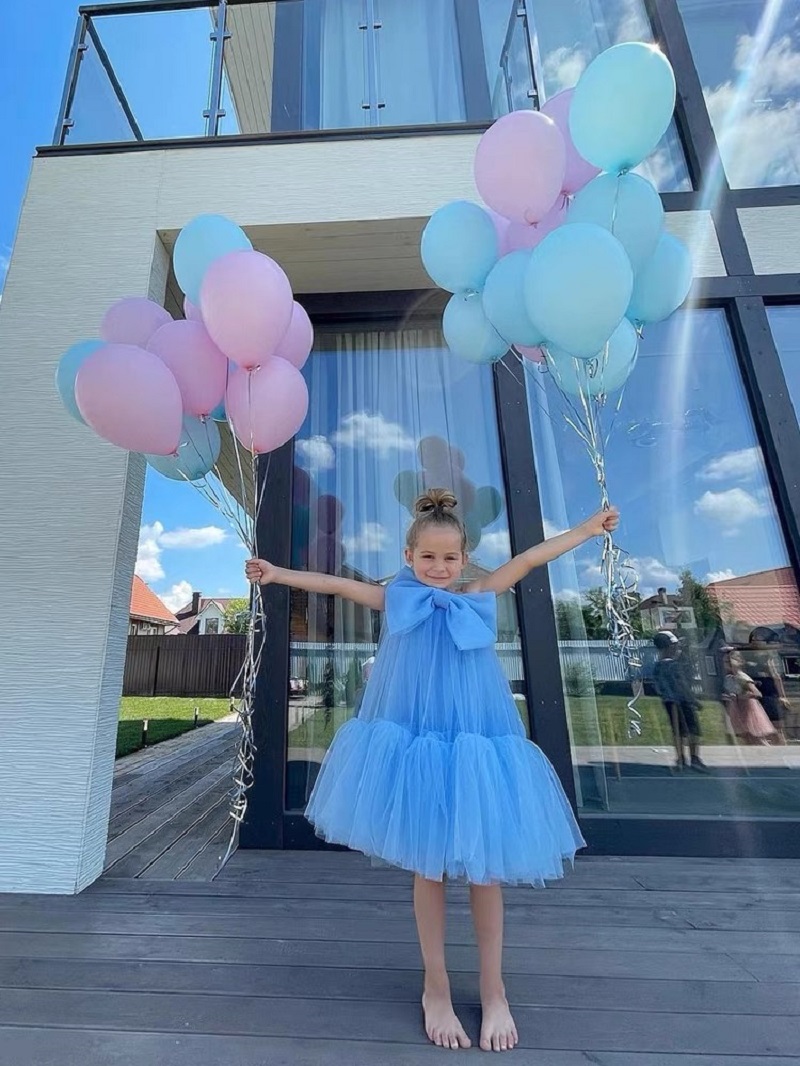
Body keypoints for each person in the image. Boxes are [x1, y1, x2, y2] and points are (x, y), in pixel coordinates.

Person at [246, 488, 619, 1053]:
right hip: (416, 744)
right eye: (428, 558)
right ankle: (436, 985)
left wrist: (588, 530)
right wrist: (276, 574)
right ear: (407, 556)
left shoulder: (479, 591)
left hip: (475, 743)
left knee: (486, 869)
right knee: (429, 866)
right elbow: (334, 584)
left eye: (449, 558)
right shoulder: (395, 597)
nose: (439, 568)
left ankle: (494, 990)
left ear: (464, 558)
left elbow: (530, 558)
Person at [652, 631, 706, 772]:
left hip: (669, 701)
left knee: (677, 730)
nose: (676, 648)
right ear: (668, 647)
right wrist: (694, 701)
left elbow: (658, 686)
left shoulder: (658, 667)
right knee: (692, 729)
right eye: (674, 646)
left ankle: (680, 757)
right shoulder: (674, 666)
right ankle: (694, 758)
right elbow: (682, 685)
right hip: (683, 701)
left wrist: (665, 696)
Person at [722, 650, 777, 745]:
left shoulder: (743, 677)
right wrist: (728, 697)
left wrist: (743, 696)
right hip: (738, 708)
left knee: (757, 737)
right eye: (725, 662)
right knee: (746, 736)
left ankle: (768, 752)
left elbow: (757, 693)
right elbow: (731, 691)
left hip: (748, 709)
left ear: (739, 662)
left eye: (730, 661)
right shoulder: (729, 678)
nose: (727, 664)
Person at [742, 636, 789, 744]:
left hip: (768, 693)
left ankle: (783, 749)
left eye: (757, 640)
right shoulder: (744, 656)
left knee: (776, 727)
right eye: (752, 640)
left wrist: (782, 696)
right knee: (760, 727)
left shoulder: (766, 657)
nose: (755, 642)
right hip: (754, 694)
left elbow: (775, 676)